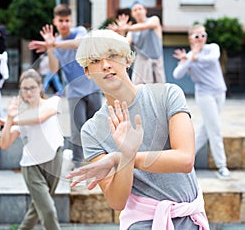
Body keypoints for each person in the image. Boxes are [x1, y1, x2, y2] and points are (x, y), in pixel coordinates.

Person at [65, 29, 210, 229]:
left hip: (191, 219)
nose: (106, 65)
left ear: (127, 60)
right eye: (95, 60)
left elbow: (185, 159)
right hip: (143, 223)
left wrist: (121, 159)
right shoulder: (92, 131)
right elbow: (117, 201)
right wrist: (125, 154)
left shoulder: (167, 94)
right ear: (87, 72)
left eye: (112, 56)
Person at [28, 4, 102, 168]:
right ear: (55, 21)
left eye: (67, 20)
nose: (64, 24)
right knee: (77, 130)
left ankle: (99, 162)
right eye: (61, 20)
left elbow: (79, 43)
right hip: (74, 91)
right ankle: (78, 165)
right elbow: (54, 69)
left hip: (93, 88)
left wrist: (55, 45)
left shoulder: (79, 32)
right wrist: (49, 48)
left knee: (98, 127)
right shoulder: (55, 43)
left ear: (71, 21)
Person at [0, 69, 63, 230]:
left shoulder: (53, 102)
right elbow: (4, 144)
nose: (28, 92)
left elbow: (40, 118)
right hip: (31, 166)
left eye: (32, 87)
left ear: (40, 87)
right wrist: (10, 118)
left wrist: (13, 121)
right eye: (24, 88)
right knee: (47, 210)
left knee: (37, 208)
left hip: (54, 159)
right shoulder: (20, 115)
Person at [172, 24, 230, 180]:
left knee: (206, 129)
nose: (201, 39)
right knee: (215, 128)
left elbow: (212, 60)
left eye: (203, 35)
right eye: (197, 36)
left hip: (219, 92)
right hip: (205, 95)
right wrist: (189, 60)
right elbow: (177, 74)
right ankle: (222, 166)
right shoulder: (189, 56)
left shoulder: (212, 48)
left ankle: (185, 158)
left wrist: (192, 58)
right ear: (191, 38)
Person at [108, 0, 166, 84]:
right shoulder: (132, 31)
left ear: (145, 10)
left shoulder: (154, 19)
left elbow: (145, 26)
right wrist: (121, 32)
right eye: (135, 10)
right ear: (132, 14)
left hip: (156, 61)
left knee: (159, 91)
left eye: (140, 9)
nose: (138, 11)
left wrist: (126, 28)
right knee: (139, 90)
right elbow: (124, 44)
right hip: (141, 62)